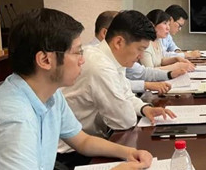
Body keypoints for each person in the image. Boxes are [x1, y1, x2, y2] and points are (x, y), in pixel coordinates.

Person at [0, 8, 153, 170]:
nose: (83, 60)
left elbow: (82, 140)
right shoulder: (16, 116)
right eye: (77, 52)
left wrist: (127, 153)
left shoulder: (49, 93)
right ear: (45, 60)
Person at [62, 10, 176, 143]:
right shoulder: (100, 66)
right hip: (74, 148)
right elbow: (125, 120)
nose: (140, 56)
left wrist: (145, 108)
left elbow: (126, 95)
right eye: (140, 49)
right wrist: (134, 108)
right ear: (119, 42)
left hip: (92, 139)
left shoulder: (113, 58)